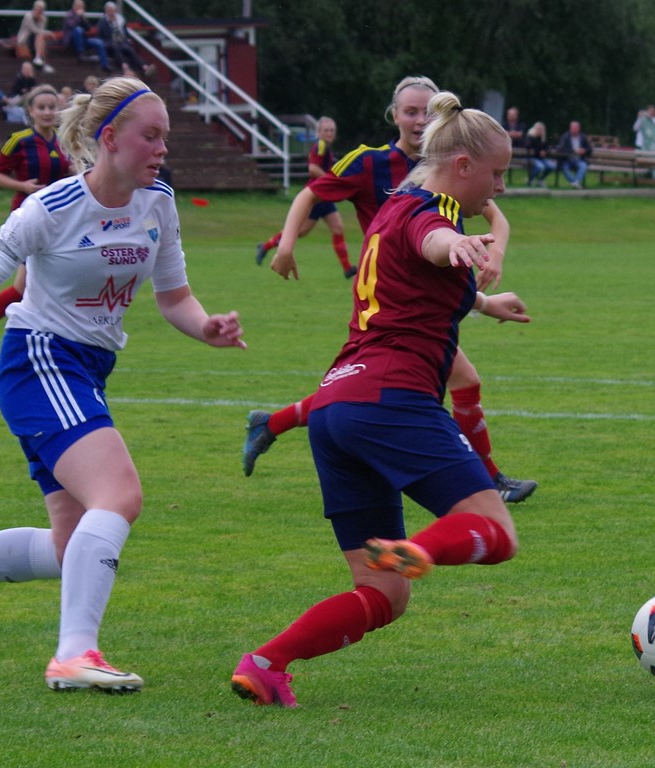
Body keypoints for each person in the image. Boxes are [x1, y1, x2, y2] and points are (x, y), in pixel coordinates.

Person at [0, 76, 246, 692]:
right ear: (109, 139)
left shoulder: (157, 200)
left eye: (166, 137)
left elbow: (176, 299)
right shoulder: (49, 210)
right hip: (39, 362)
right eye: (151, 136)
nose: (163, 149)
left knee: (70, 546)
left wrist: (207, 327)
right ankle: (74, 655)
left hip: (87, 370)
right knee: (120, 494)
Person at [231, 90, 526, 708]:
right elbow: (433, 243)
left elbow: (415, 267)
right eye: (496, 173)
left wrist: (483, 299)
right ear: (463, 165)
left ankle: (266, 662)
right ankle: (420, 548)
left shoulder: (392, 206)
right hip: (392, 401)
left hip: (336, 407)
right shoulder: (435, 210)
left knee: (383, 594)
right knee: (497, 533)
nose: (500, 187)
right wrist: (459, 246)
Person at [245, 76, 537, 504]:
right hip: (394, 302)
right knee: (381, 393)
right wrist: (285, 243)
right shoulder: (378, 168)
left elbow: (493, 220)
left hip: (413, 296)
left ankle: (271, 425)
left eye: (427, 112)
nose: (419, 121)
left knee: (351, 392)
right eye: (410, 111)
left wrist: (488, 285)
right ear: (394, 115)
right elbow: (424, 235)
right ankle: (487, 480)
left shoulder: (451, 168)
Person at [0, 84, 71, 349]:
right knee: (23, 286)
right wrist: (24, 187)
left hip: (61, 219)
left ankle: (47, 336)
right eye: (41, 108)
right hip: (29, 218)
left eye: (52, 107)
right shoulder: (20, 140)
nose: (48, 112)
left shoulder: (65, 140)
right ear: (30, 111)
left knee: (51, 283)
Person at [255, 116, 355, 277]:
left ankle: (347, 268)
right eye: (326, 130)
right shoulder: (320, 146)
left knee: (338, 228)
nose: (329, 133)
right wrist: (332, 181)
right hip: (316, 196)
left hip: (325, 197)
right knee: (300, 231)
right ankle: (265, 246)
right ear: (318, 133)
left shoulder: (326, 149)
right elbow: (313, 168)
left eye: (332, 130)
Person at [97, 2, 152, 78]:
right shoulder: (103, 21)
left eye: (112, 10)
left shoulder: (120, 20)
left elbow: (125, 33)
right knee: (115, 45)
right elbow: (101, 35)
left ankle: (144, 66)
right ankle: (124, 65)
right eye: (109, 10)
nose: (111, 12)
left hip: (121, 42)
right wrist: (111, 24)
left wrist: (127, 40)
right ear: (106, 11)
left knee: (129, 49)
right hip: (108, 42)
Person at [63, 0, 109, 71]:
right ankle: (80, 53)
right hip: (71, 40)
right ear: (74, 6)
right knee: (78, 29)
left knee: (98, 42)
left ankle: (105, 65)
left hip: (82, 40)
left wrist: (83, 19)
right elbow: (72, 25)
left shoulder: (82, 16)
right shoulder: (69, 14)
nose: (81, 8)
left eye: (82, 6)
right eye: (79, 6)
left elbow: (88, 28)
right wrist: (78, 17)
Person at [17, 0, 55, 75]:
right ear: (34, 9)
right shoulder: (28, 16)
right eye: (38, 10)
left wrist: (45, 31)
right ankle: (40, 59)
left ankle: (40, 59)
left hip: (35, 40)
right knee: (40, 35)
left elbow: (40, 31)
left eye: (41, 10)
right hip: (25, 40)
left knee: (41, 37)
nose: (39, 12)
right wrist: (49, 33)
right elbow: (34, 30)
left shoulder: (43, 18)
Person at [556, 120, 592, 189]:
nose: (573, 130)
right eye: (572, 128)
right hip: (567, 160)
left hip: (579, 159)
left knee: (583, 165)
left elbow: (590, 149)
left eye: (575, 128)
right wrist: (573, 151)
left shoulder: (583, 137)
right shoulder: (565, 137)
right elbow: (560, 149)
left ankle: (576, 183)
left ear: (579, 128)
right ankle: (576, 183)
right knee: (564, 167)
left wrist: (584, 151)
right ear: (570, 128)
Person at [524, 121, 554, 187]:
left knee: (551, 166)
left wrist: (545, 152)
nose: (540, 131)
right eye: (538, 129)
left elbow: (546, 148)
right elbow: (528, 147)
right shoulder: (530, 137)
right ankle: (530, 179)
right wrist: (539, 151)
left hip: (540, 158)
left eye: (541, 129)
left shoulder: (542, 138)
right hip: (531, 158)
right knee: (540, 167)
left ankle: (540, 180)